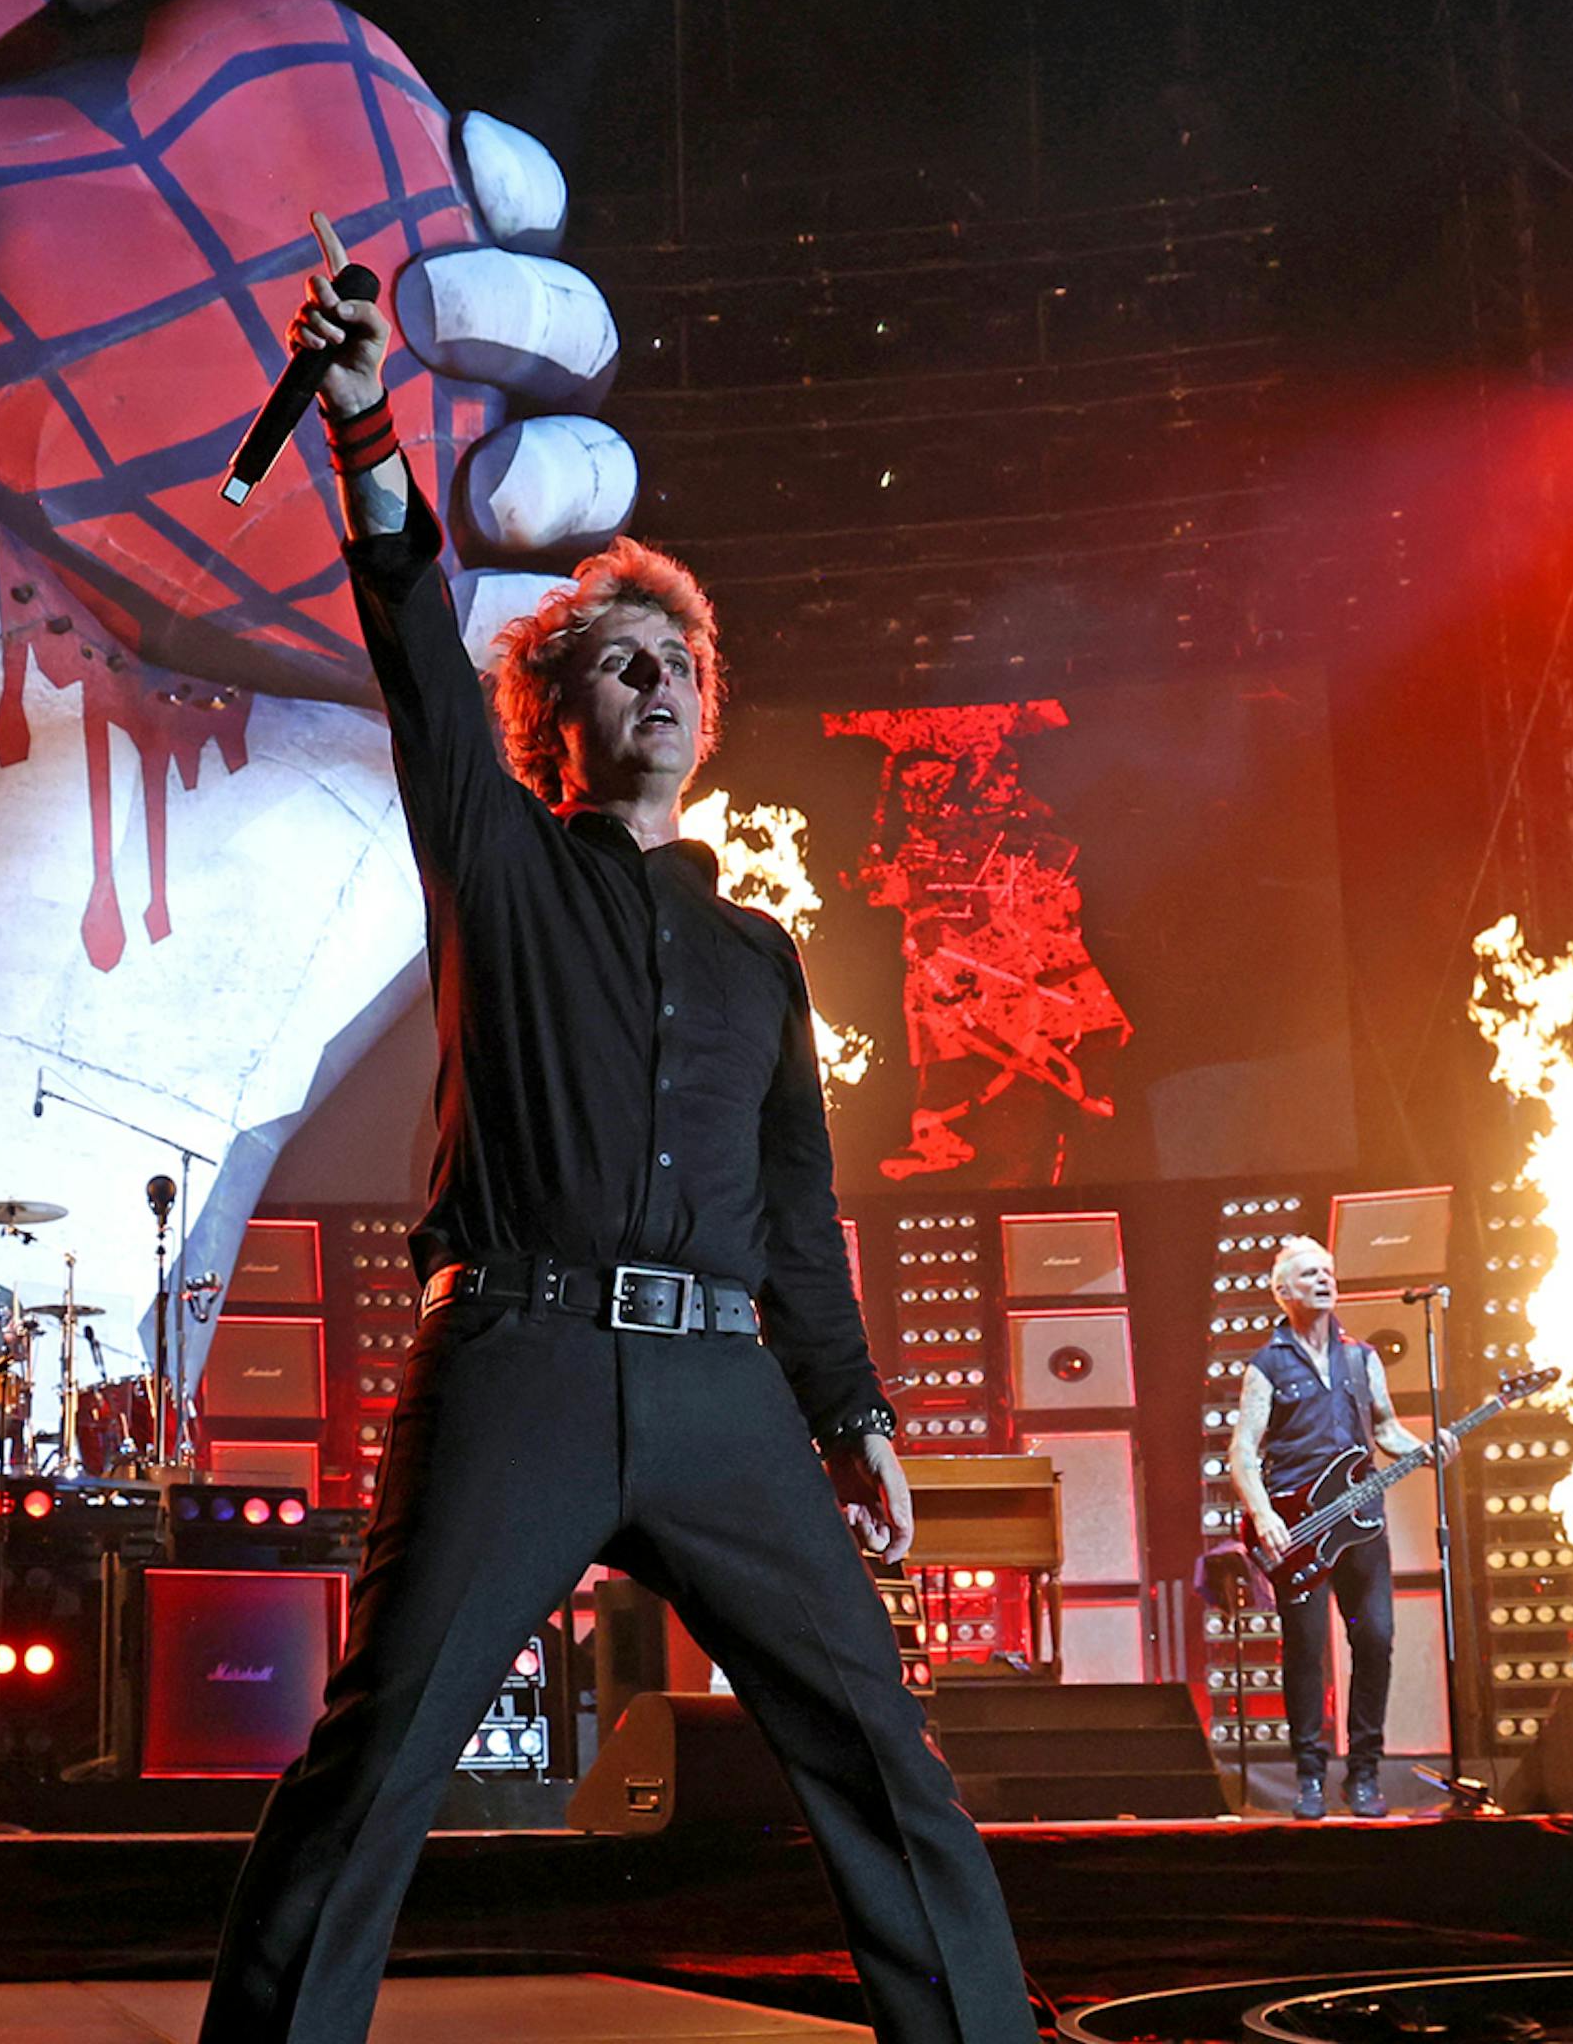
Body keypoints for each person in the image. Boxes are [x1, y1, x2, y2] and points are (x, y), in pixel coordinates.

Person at [196, 244, 1035, 2044]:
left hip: (728, 1390)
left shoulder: (758, 955)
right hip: (524, 1359)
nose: (658, 681)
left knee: (886, 1755)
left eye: (680, 663)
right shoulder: (498, 865)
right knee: (382, 1759)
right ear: (555, 716)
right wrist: (362, 424)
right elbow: (414, 636)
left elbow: (797, 1216)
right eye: (620, 662)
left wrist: (856, 1417)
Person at [1227, 1235, 1452, 1820]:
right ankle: (1307, 1775)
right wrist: (1265, 1514)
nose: (1325, 1280)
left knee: (1374, 1640)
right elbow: (1243, 1454)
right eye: (1309, 1275)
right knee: (1304, 1651)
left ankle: (1365, 1774)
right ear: (1283, 1292)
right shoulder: (1267, 1364)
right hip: (1300, 1528)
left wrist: (1425, 1448)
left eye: (1328, 1270)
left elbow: (1386, 1429)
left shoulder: (1361, 1358)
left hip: (1362, 1525)